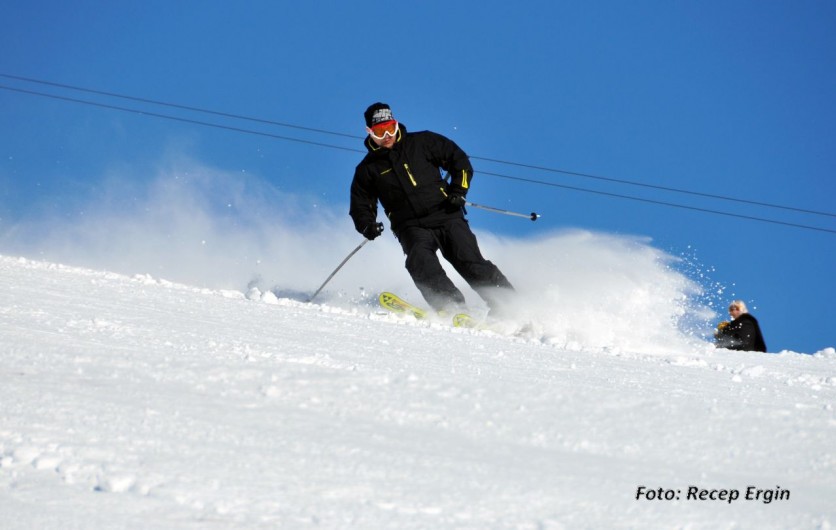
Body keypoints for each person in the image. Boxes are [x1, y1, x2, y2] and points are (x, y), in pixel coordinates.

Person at [349, 102, 514, 314]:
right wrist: (367, 225)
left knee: (469, 260)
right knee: (420, 262)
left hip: (446, 214)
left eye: (391, 127)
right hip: (410, 226)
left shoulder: (423, 142)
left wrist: (458, 191)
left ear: (396, 123)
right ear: (370, 132)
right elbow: (360, 203)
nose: (387, 135)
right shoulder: (367, 169)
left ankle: (509, 305)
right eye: (380, 132)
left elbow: (459, 160)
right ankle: (450, 306)